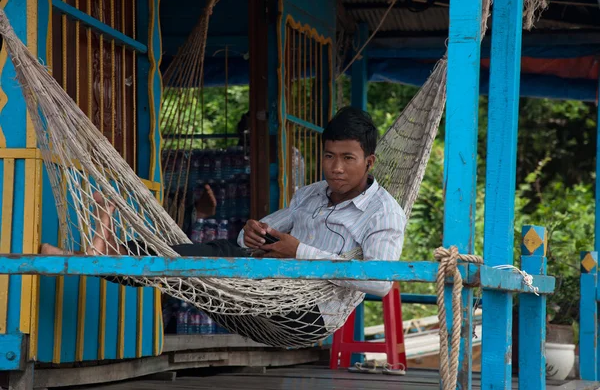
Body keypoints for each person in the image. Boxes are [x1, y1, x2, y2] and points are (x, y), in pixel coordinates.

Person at [40, 106, 406, 343]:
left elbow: (379, 282)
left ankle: (99, 257)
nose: (336, 168)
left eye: (347, 159)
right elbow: (263, 230)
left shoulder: (383, 213)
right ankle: (98, 255)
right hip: (270, 285)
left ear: (369, 162)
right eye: (329, 156)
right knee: (218, 251)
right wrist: (252, 231)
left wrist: (300, 252)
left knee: (209, 271)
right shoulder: (311, 193)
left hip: (308, 314)